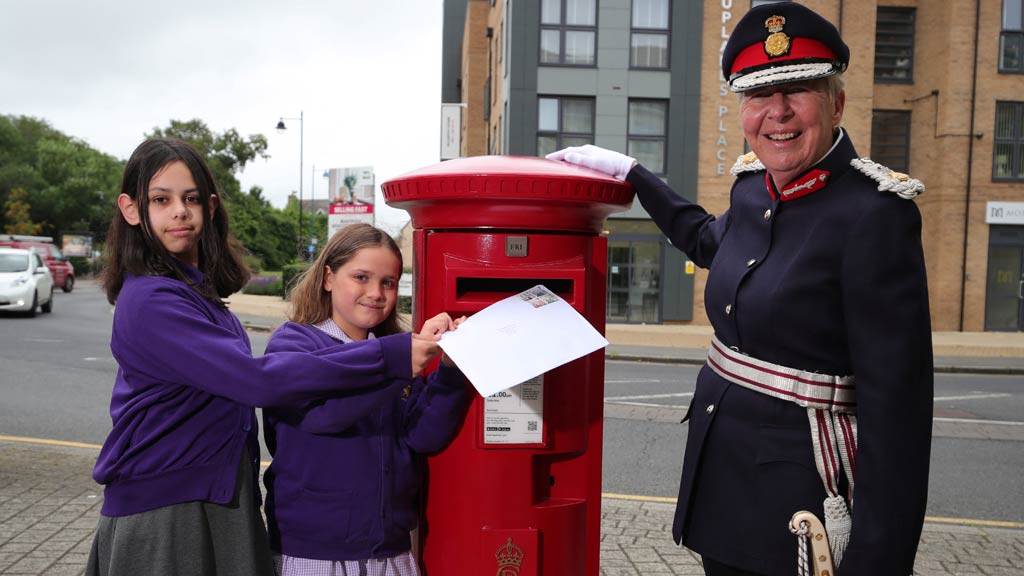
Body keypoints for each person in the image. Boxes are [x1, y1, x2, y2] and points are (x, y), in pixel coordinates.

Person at [547, 3, 933, 575]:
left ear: (837, 102)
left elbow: (897, 414)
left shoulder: (874, 215)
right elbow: (709, 241)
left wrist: (876, 562)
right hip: (722, 484)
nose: (777, 113)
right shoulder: (755, 189)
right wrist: (634, 174)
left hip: (798, 511)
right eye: (758, 96)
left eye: (797, 91)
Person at [87, 138, 445, 576]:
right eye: (161, 199)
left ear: (211, 207)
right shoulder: (151, 300)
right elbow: (259, 382)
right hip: (170, 507)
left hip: (213, 498)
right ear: (131, 210)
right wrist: (391, 357)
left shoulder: (193, 294)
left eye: (192, 198)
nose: (179, 211)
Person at [262, 223, 469, 576]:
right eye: (361, 277)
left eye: (388, 282)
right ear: (328, 277)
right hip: (315, 552)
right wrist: (397, 365)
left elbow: (423, 437)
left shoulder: (394, 354)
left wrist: (450, 369)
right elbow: (322, 416)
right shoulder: (294, 344)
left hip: (390, 551)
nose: (376, 292)